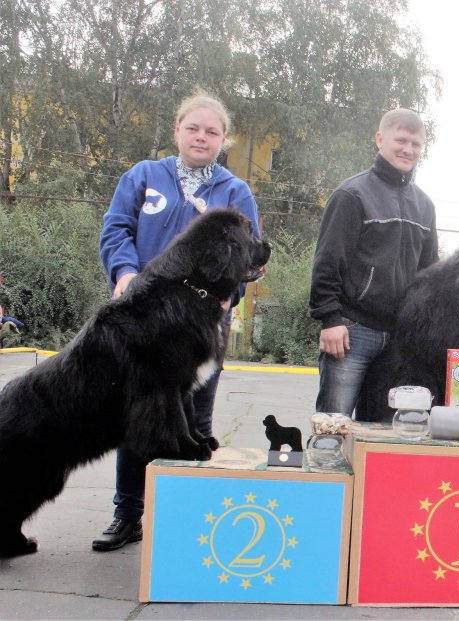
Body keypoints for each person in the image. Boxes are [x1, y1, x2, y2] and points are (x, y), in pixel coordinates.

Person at [94, 92, 260, 551]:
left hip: (202, 330)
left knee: (194, 423)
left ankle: (187, 525)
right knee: (141, 415)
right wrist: (124, 272)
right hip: (142, 324)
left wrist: (231, 294)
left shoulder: (234, 191)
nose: (201, 136)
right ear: (177, 130)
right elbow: (115, 228)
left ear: (223, 139)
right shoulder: (143, 176)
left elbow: (251, 254)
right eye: (194, 128)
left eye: (212, 131)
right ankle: (127, 516)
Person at [309, 108, 438, 418]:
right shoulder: (352, 194)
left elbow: (429, 274)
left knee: (383, 434)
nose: (408, 149)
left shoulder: (425, 205)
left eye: (416, 144)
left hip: (399, 338)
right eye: (401, 140)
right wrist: (329, 319)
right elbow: (328, 260)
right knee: (333, 427)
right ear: (380, 139)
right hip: (351, 331)